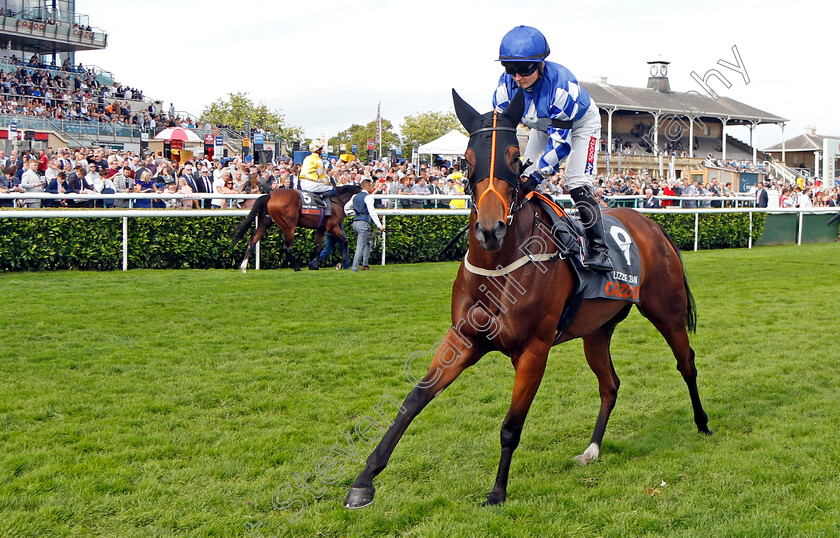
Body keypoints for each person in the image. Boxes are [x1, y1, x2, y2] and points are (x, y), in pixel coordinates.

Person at [492, 25, 611, 271]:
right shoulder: (504, 89)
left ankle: (600, 250)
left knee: (575, 182)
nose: (516, 76)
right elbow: (502, 134)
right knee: (521, 179)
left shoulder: (562, 87)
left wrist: (536, 176)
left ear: (541, 64)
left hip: (579, 125)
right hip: (542, 125)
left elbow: (561, 145)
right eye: (510, 68)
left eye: (523, 69)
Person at [344, 178, 385, 271]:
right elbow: (372, 212)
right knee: (360, 246)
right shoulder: (369, 197)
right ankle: (354, 268)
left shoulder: (355, 196)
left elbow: (346, 208)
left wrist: (351, 212)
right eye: (371, 186)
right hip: (364, 223)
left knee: (367, 243)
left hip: (355, 222)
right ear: (368, 186)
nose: (372, 188)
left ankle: (365, 264)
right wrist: (380, 225)